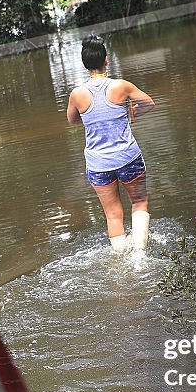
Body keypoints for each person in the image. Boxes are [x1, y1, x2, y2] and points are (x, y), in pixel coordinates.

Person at [66, 35, 156, 253]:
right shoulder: (121, 86)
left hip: (98, 164)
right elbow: (149, 104)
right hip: (128, 158)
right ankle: (140, 255)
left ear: (85, 64)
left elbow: (72, 119)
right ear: (106, 60)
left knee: (113, 214)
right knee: (139, 202)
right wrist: (133, 112)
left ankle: (120, 257)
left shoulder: (77, 94)